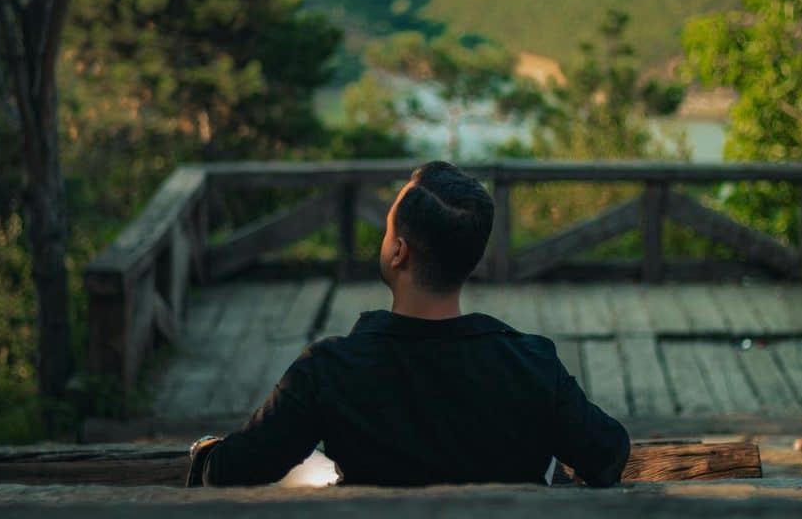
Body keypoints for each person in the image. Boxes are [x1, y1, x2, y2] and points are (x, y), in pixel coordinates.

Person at [187, 161, 630, 487]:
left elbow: (232, 473)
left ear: (398, 252)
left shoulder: (330, 371)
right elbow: (608, 456)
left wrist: (206, 453)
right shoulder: (532, 363)